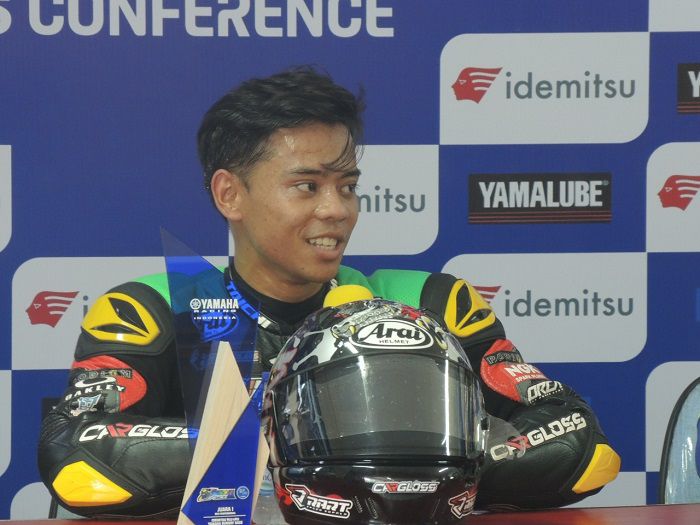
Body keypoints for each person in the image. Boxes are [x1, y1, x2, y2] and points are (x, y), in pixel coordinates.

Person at [37, 66, 620, 518]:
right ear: (229, 194)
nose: (337, 210)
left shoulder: (432, 304)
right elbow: (75, 450)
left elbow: (579, 440)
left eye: (347, 186)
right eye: (307, 186)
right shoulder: (153, 310)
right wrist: (305, 454)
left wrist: (399, 473)